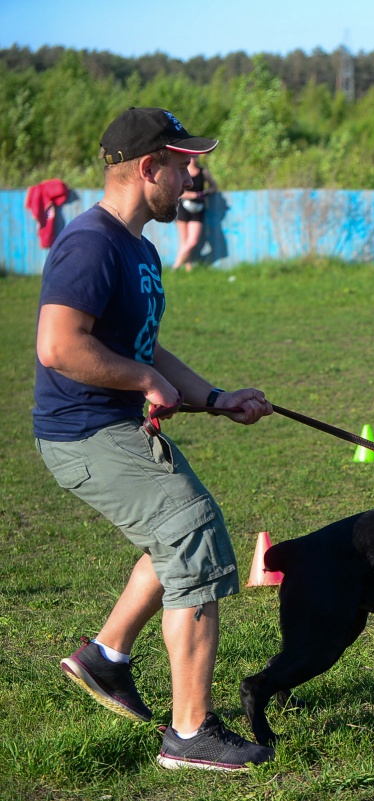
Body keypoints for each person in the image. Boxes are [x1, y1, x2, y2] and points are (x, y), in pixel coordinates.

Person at [35, 107, 274, 771]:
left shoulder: (137, 248)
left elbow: (145, 346)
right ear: (149, 169)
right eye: (185, 161)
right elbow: (59, 345)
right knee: (191, 527)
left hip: (114, 425)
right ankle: (190, 733)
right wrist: (139, 376)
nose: (195, 172)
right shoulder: (93, 244)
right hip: (84, 432)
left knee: (177, 531)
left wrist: (217, 398)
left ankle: (104, 656)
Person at [172, 154, 217, 271]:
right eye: (191, 156)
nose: (193, 159)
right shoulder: (182, 171)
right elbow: (176, 191)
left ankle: (175, 267)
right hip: (184, 208)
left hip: (198, 209)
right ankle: (188, 268)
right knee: (184, 240)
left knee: (192, 241)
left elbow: (214, 187)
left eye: (195, 156)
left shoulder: (203, 171)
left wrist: (205, 193)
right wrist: (192, 195)